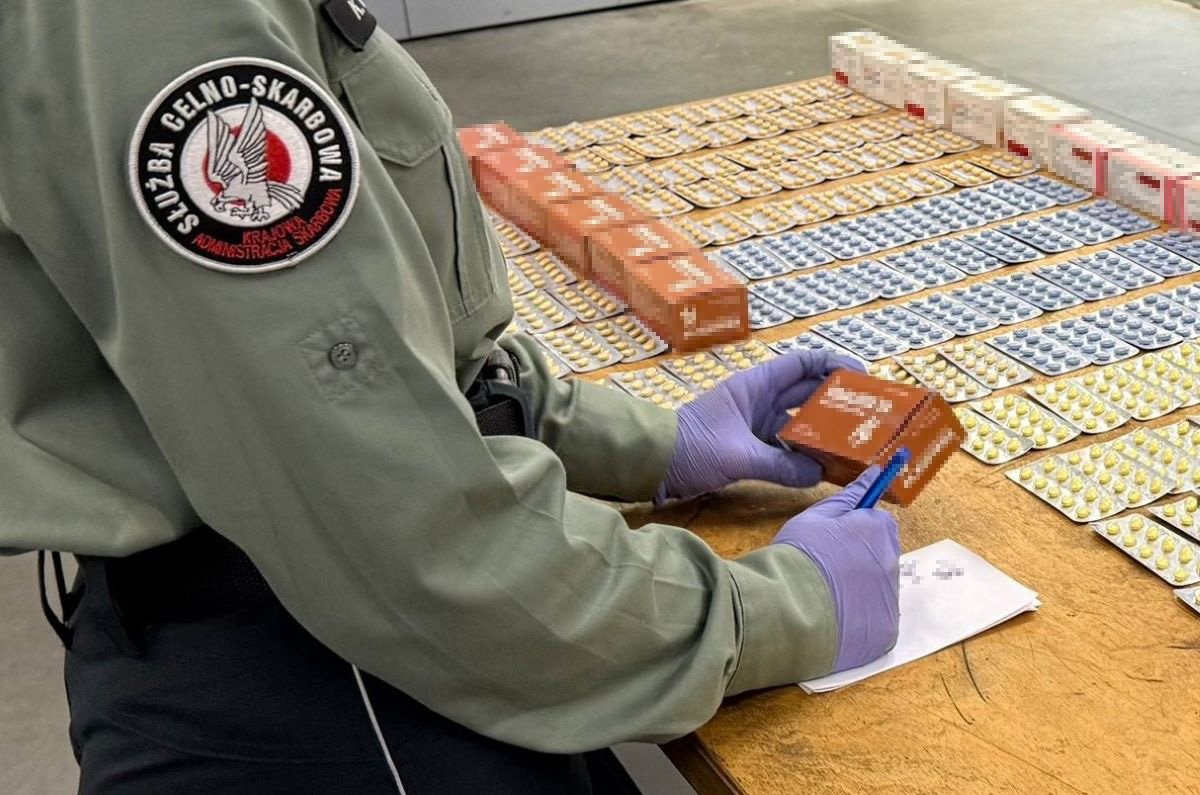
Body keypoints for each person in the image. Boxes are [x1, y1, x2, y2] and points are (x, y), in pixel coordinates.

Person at [0, 1, 900, 792]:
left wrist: (651, 443)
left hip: (357, 624)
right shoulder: (158, 22)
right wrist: (772, 611)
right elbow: (395, 521)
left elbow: (383, 352)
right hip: (320, 675)